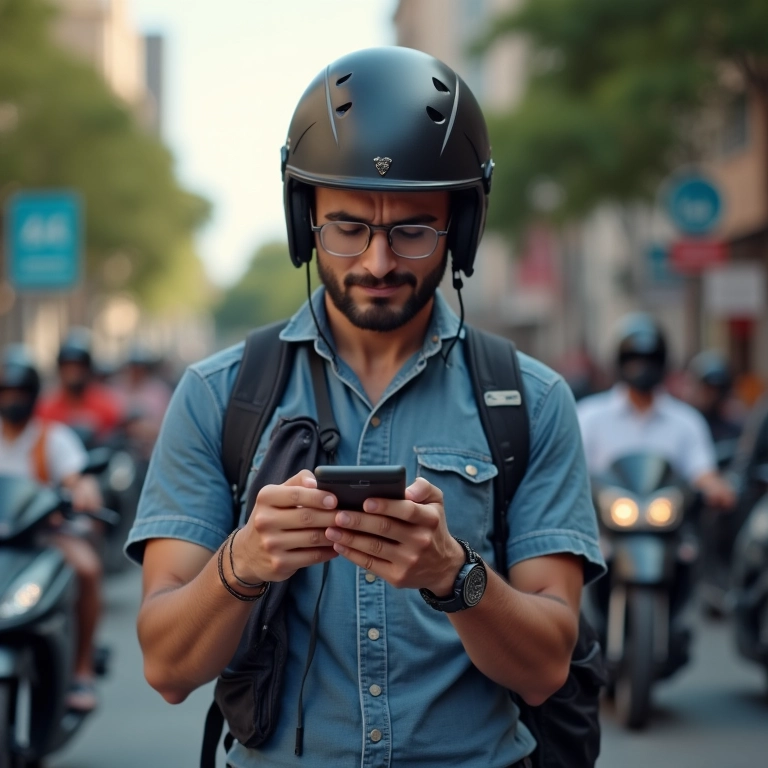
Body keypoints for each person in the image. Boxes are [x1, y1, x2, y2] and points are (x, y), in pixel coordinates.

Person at [126, 47, 605, 768]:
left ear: (461, 231)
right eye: (347, 228)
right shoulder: (218, 395)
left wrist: (454, 574)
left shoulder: (530, 401)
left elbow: (545, 668)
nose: (378, 262)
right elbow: (167, 669)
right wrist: (247, 559)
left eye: (413, 231)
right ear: (304, 223)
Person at [0, 345, 104, 712]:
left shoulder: (54, 437)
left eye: (19, 394)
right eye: (6, 393)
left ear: (32, 396)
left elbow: (78, 478)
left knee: (87, 569)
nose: (12, 401)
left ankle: (82, 668)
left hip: (45, 537)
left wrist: (83, 492)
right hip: (3, 542)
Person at [576, 313, 735, 509]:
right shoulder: (590, 416)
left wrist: (716, 488)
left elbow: (702, 471)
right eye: (634, 360)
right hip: (605, 528)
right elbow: (573, 472)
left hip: (668, 528)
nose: (642, 368)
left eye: (650, 360)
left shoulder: (686, 420)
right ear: (620, 362)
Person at [37, 327, 123, 446]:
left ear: (88, 368)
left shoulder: (106, 404)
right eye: (68, 366)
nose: (73, 372)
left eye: (79, 366)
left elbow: (117, 436)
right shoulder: (45, 408)